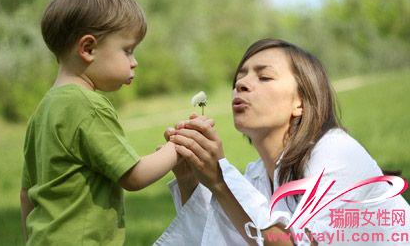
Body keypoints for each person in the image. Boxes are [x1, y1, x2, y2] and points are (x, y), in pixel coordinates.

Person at [156, 39, 410, 245]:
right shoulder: (257, 174)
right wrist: (190, 179)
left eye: (264, 77)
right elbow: (224, 239)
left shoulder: (337, 154)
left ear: (300, 102)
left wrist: (221, 181)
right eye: (239, 79)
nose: (241, 84)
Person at [19, 0, 179, 245]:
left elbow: (26, 194)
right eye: (127, 50)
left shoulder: (44, 109)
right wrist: (175, 148)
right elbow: (134, 176)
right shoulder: (88, 105)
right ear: (88, 48)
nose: (134, 61)